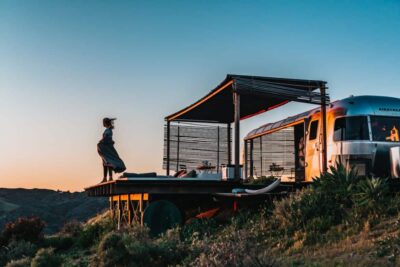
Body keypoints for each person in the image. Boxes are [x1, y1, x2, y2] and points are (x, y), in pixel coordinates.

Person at [97, 118, 126, 182]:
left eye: (103, 122)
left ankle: (106, 178)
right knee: (107, 162)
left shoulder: (108, 130)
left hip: (106, 148)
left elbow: (107, 138)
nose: (102, 124)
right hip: (107, 148)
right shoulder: (108, 130)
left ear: (105, 123)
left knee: (107, 162)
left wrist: (101, 141)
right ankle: (108, 177)